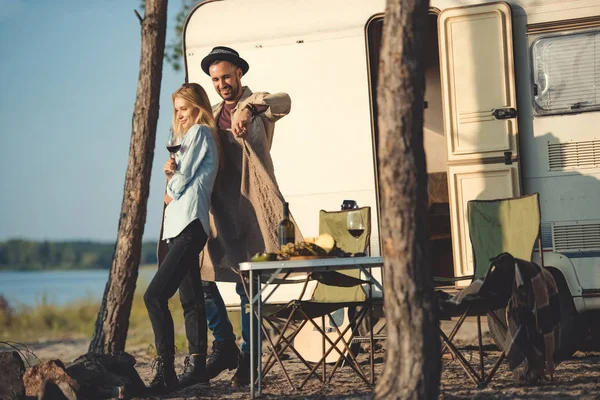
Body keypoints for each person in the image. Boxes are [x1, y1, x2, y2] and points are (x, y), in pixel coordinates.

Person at [198, 46, 292, 387]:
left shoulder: (258, 104)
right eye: (215, 79)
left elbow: (285, 101)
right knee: (201, 278)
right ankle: (224, 345)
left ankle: (250, 359)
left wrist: (249, 108)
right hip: (218, 212)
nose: (222, 83)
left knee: (247, 288)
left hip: (252, 210)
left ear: (239, 73)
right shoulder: (208, 114)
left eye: (226, 76)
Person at [144, 83, 222, 394]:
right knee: (191, 300)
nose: (180, 115)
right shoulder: (186, 139)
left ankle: (166, 372)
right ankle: (198, 370)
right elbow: (181, 175)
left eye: (184, 109)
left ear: (198, 108)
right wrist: (170, 176)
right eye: (177, 111)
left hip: (190, 223)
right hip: (181, 227)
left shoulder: (200, 133)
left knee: (154, 296)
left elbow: (183, 181)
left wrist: (169, 188)